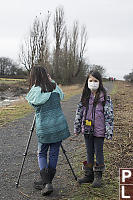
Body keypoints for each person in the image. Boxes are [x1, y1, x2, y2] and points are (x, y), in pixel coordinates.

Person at [25, 66, 70, 196]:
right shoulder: (55, 87)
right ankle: (47, 181)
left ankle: (47, 182)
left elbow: (33, 104)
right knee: (54, 153)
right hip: (59, 124)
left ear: (34, 77)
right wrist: (51, 81)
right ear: (46, 74)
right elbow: (61, 96)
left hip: (45, 127)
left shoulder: (35, 91)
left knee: (42, 153)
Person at [74, 70, 113, 188]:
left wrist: (109, 131)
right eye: (90, 80)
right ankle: (89, 175)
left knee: (99, 152)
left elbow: (109, 115)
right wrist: (77, 127)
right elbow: (79, 113)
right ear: (87, 82)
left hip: (99, 131)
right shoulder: (84, 96)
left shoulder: (104, 97)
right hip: (87, 130)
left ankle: (98, 177)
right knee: (89, 152)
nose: (92, 83)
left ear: (99, 82)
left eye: (95, 81)